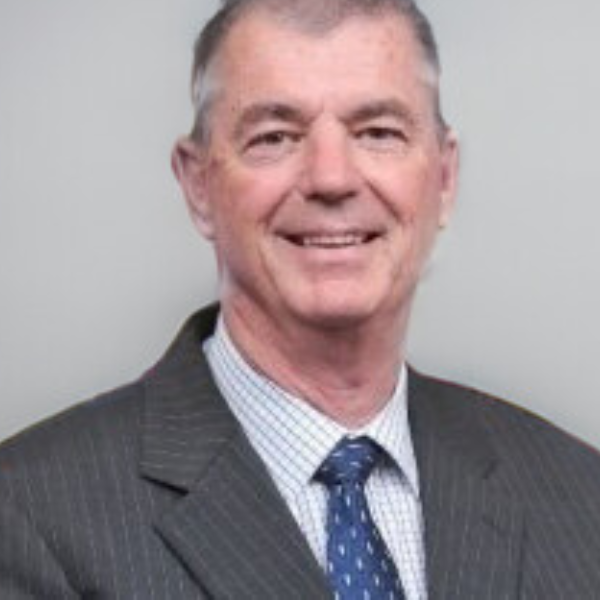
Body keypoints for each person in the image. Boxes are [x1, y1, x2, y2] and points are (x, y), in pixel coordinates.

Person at [1, 0, 600, 598]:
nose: (331, 178)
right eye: (275, 137)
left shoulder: (580, 498)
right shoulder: (31, 514)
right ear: (199, 185)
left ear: (443, 180)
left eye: (378, 133)